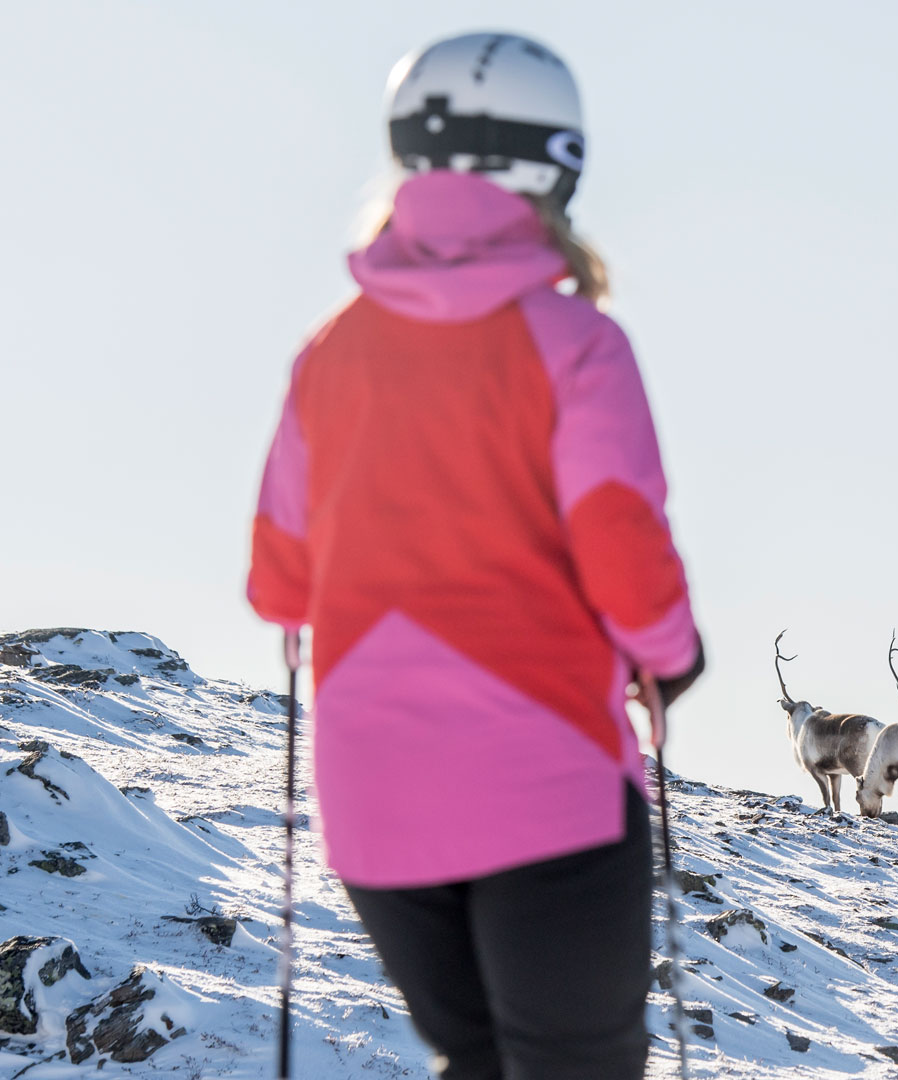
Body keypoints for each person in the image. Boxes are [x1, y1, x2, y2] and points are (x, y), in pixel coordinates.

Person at [246, 32, 701, 1080]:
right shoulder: (576, 343)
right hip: (544, 776)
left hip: (376, 799)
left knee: (480, 1059)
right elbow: (620, 543)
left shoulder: (330, 352)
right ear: (559, 165)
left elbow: (280, 583)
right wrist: (673, 655)